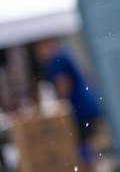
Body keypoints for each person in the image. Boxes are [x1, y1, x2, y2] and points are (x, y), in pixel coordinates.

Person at [32, 39, 105, 167]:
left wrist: (57, 103)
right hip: (86, 106)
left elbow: (63, 85)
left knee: (80, 143)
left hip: (80, 110)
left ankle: (88, 166)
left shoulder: (56, 60)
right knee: (86, 143)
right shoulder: (64, 54)